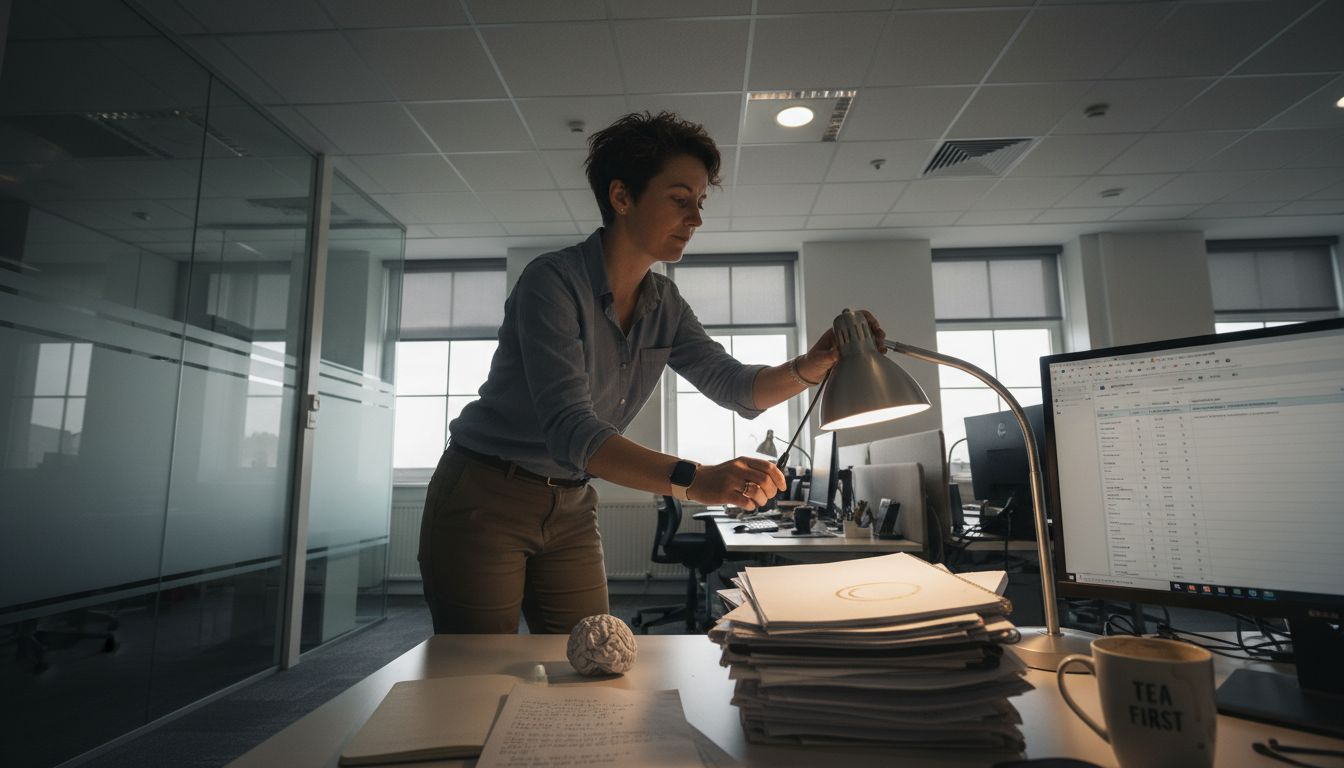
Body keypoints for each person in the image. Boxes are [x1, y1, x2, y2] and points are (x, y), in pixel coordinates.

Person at [418, 111, 885, 635]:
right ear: (622, 197)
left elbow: (737, 387)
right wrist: (698, 479)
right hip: (487, 493)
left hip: (571, 501)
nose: (696, 219)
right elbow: (573, 430)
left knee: (593, 656)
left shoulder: (665, 302)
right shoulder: (552, 282)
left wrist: (811, 365)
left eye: (700, 202)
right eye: (680, 199)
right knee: (477, 666)